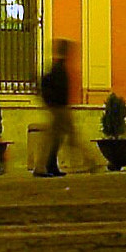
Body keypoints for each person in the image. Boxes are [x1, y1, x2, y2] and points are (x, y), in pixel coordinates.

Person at [32, 40, 80, 177]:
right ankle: (42, 168)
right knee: (55, 139)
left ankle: (50, 166)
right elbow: (57, 88)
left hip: (59, 108)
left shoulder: (58, 67)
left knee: (56, 139)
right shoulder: (58, 68)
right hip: (59, 109)